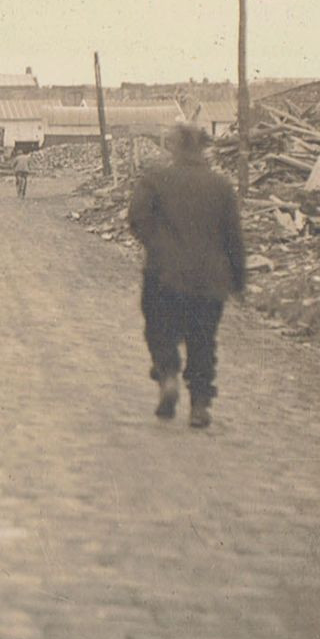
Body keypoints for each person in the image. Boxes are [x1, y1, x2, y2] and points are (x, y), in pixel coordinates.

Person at [127, 122, 247, 428]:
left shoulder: (155, 179)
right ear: (201, 148)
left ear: (174, 147)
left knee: (160, 329)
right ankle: (200, 404)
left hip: (164, 274)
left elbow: (137, 217)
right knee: (203, 339)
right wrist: (239, 279)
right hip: (210, 280)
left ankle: (168, 376)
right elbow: (234, 236)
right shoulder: (221, 186)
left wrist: (157, 246)